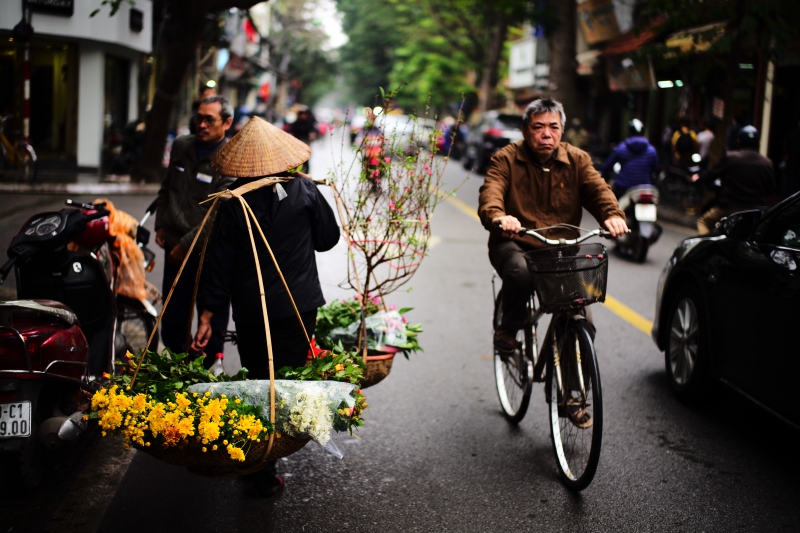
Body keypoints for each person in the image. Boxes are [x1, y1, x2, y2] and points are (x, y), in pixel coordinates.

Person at [190, 117, 340, 497]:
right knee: (287, 380)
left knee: (260, 379)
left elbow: (218, 265)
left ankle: (261, 466)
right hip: (299, 305)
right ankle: (279, 446)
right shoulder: (304, 191)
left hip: (252, 310)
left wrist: (207, 314)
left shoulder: (232, 202)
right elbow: (327, 240)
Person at [478, 97, 627, 355]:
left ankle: (572, 392)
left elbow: (598, 190)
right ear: (525, 130)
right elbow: (491, 194)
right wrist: (499, 217)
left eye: (553, 127)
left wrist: (612, 215)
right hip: (515, 243)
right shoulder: (506, 159)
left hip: (561, 249)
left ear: (561, 131)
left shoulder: (578, 160)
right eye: (538, 127)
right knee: (521, 272)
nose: (546, 134)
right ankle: (508, 329)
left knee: (583, 321)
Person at [155, 95, 234, 367]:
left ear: (227, 122)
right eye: (198, 118)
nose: (201, 124)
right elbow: (166, 187)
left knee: (209, 321)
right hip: (174, 248)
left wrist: (187, 244)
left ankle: (207, 374)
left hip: (206, 254)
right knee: (173, 319)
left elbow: (216, 215)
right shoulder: (181, 145)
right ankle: (178, 372)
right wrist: (161, 224)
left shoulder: (229, 158)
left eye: (209, 119)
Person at [692, 125, 775, 235]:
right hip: (754, 212)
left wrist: (698, 178)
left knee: (704, 222)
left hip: (729, 207)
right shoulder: (767, 163)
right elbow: (771, 190)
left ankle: (707, 249)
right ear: (758, 142)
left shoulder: (731, 158)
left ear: (738, 141)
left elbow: (710, 174)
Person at [601, 118, 659, 199]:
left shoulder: (621, 147)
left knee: (610, 203)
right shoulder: (652, 150)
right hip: (645, 188)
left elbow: (608, 165)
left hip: (623, 187)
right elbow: (655, 170)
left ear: (629, 132)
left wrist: (603, 172)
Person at [288, 109, 318, 173]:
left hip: (306, 142)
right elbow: (290, 130)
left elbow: (314, 130)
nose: (303, 116)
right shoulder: (296, 123)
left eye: (305, 114)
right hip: (297, 142)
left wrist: (313, 134)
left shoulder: (309, 123)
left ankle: (306, 173)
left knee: (306, 159)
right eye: (302, 114)